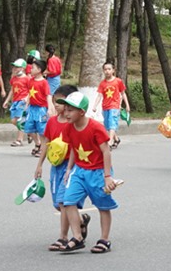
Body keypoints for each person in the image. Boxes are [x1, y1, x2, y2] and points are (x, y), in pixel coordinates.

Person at [58, 91, 119, 253]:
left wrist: (107, 177)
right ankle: (77, 237)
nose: (66, 113)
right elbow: (73, 148)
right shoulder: (69, 128)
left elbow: (106, 151)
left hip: (98, 172)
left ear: (82, 112)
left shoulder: (95, 128)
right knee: (68, 201)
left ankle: (105, 240)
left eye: (70, 110)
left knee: (102, 206)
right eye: (65, 109)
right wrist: (69, 169)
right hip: (79, 170)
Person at [34, 84, 90, 251]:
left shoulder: (72, 122)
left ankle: (64, 237)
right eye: (54, 101)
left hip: (70, 166)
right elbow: (46, 143)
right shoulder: (51, 122)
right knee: (58, 204)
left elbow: (76, 145)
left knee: (64, 201)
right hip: (56, 166)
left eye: (60, 101)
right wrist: (39, 165)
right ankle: (80, 221)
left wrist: (71, 168)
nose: (56, 104)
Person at [92, 61, 129, 149]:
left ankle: (110, 140)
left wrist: (127, 105)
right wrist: (94, 106)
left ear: (113, 70)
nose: (107, 71)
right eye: (105, 69)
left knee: (112, 122)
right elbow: (99, 95)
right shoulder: (103, 83)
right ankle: (116, 139)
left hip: (115, 106)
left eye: (109, 69)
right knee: (107, 125)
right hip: (105, 106)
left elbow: (123, 93)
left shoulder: (118, 81)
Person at [23, 59, 54, 155]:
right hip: (32, 108)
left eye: (33, 68)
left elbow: (48, 95)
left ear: (39, 70)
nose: (30, 70)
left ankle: (43, 149)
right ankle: (37, 143)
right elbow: (29, 93)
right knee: (29, 128)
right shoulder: (31, 81)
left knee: (41, 130)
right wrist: (26, 103)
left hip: (41, 109)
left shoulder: (44, 82)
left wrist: (49, 108)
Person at [3, 58, 30, 147]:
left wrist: (27, 99)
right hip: (15, 101)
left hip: (22, 102)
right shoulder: (14, 78)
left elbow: (31, 91)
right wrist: (7, 100)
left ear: (22, 68)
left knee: (19, 120)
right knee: (13, 121)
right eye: (14, 66)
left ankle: (19, 140)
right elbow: (12, 90)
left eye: (17, 67)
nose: (15, 68)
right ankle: (29, 131)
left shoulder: (27, 79)